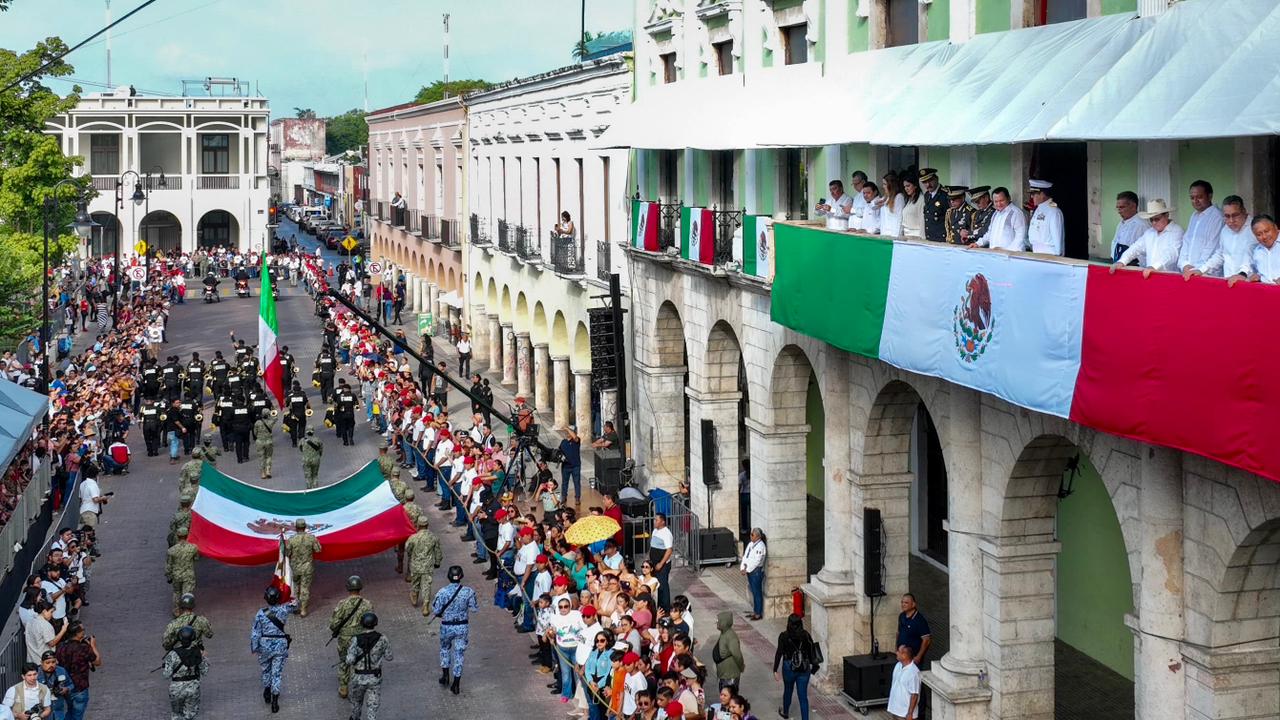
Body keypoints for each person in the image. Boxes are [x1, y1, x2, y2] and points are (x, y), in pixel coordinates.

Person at [432, 565, 480, 695]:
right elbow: (474, 608)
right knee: (459, 654)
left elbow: (436, 610)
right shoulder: (469, 591)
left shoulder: (442, 592)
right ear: (461, 576)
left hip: (447, 626)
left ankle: (445, 676)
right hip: (462, 626)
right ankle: (456, 684)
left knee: (445, 649)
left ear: (448, 576)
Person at [250, 586, 296, 714]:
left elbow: (255, 633)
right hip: (280, 645)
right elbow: (296, 605)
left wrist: (255, 647)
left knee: (266, 670)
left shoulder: (260, 613)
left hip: (265, 645)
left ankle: (266, 690)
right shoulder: (284, 610)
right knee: (277, 673)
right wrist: (291, 594)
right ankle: (275, 701)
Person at [1112, 199, 1185, 277]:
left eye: (1157, 219)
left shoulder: (1176, 231)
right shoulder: (1150, 232)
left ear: (1166, 215)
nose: (1153, 223)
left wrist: (1155, 266)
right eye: (1151, 220)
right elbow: (1136, 247)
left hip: (1169, 277)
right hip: (1150, 274)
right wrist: (1122, 261)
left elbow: (1172, 253)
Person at [330, 575, 374, 699]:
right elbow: (371, 621)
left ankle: (344, 687)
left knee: (344, 661)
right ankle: (359, 685)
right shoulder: (367, 604)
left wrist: (337, 631)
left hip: (345, 638)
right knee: (360, 661)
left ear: (348, 588)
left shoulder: (342, 604)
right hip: (361, 638)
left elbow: (333, 624)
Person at [346, 612, 392, 720]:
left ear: (362, 623)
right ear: (375, 623)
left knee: (356, 703)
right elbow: (389, 657)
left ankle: (355, 718)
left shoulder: (356, 639)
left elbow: (350, 660)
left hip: (358, 678)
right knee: (373, 706)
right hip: (374, 678)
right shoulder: (382, 638)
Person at [1198, 195, 1255, 280]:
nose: (1231, 220)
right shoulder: (1225, 230)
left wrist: (1243, 274)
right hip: (1228, 281)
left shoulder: (1255, 229)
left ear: (1244, 211)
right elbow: (1221, 255)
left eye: (1235, 215)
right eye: (1227, 216)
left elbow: (1254, 257)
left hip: (1249, 282)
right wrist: (1202, 270)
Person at [773, 613, 818, 720]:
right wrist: (814, 666)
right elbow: (812, 651)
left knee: (788, 690)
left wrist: (775, 669)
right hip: (804, 668)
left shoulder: (783, 636)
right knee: (803, 697)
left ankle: (786, 712)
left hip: (788, 667)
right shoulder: (805, 635)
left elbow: (779, 653)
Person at [1178, 179, 1225, 277]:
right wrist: (1184, 264)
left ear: (1210, 196)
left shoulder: (1217, 217)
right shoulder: (1194, 216)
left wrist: (1198, 269)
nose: (1195, 201)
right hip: (1189, 273)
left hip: (1206, 274)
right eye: (1192, 197)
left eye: (1199, 197)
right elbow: (1186, 242)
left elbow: (1212, 247)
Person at [162, 626, 208, 720]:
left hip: (176, 689)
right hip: (193, 688)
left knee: (176, 715)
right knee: (190, 716)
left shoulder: (173, 654)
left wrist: (167, 665)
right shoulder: (198, 653)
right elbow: (205, 671)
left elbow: (166, 675)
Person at [54, 622, 97, 720]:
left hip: (66, 686)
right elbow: (97, 661)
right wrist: (93, 646)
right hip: (80, 686)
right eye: (83, 630)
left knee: (70, 711)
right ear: (78, 633)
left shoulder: (61, 646)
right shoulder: (83, 648)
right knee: (77, 715)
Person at [404, 516, 443, 616]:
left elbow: (408, 549)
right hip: (427, 566)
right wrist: (437, 562)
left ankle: (414, 596)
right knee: (426, 585)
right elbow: (438, 552)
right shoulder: (433, 537)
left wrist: (411, 555)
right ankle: (425, 606)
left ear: (418, 525)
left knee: (415, 582)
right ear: (427, 525)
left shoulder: (413, 537)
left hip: (415, 565)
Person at [968, 187, 1027, 252]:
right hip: (995, 255)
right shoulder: (996, 214)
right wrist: (978, 244)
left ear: (1009, 198)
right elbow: (989, 234)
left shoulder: (1016, 213)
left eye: (1001, 200)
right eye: (996, 201)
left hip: (1010, 256)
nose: (999, 204)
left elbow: (1021, 237)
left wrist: (1008, 251)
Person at [285, 519, 322, 617]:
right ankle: (303, 610)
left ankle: (296, 606)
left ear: (296, 527)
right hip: (307, 568)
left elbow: (287, 553)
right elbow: (318, 550)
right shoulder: (311, 538)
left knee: (296, 587)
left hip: (296, 568)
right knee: (305, 588)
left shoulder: (291, 540)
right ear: (305, 527)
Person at [165, 526, 201, 617]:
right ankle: (186, 612)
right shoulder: (193, 548)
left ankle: (176, 611)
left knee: (177, 592)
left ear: (178, 535)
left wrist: (168, 576)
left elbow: (168, 565)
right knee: (187, 593)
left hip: (176, 575)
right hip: (188, 574)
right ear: (187, 535)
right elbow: (196, 559)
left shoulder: (171, 550)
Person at [1026, 179, 1064, 256]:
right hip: (1036, 253)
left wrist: (1058, 257)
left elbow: (1057, 240)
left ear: (1042, 194)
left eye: (1034, 194)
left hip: (1049, 255)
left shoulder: (1054, 212)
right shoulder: (1037, 210)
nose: (1031, 196)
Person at [1110, 191, 1149, 263]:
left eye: (1122, 207)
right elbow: (1115, 243)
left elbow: (1146, 251)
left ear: (1133, 206)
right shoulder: (1120, 224)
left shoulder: (1142, 225)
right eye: (1118, 208)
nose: (1119, 211)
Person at [896, 593, 932, 667]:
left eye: (906, 602)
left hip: (913, 660)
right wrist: (896, 650)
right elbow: (898, 633)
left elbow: (927, 640)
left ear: (913, 604)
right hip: (901, 658)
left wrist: (919, 656)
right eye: (902, 602)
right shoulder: (901, 616)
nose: (903, 604)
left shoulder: (920, 620)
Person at [887, 644, 921, 720]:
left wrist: (910, 713)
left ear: (904, 655)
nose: (896, 653)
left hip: (904, 714)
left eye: (898, 651)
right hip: (895, 710)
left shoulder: (913, 673)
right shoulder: (898, 665)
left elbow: (914, 695)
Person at [1243, 214, 1280, 285]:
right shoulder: (1257, 251)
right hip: (1265, 293)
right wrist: (1254, 276)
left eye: (1266, 231)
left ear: (1275, 227)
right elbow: (1253, 271)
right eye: (1259, 234)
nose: (1264, 237)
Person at [712, 611, 744, 691]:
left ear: (724, 622)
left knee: (729, 697)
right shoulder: (724, 633)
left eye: (718, 621)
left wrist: (741, 666)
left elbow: (737, 655)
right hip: (724, 674)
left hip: (730, 676)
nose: (716, 622)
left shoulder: (731, 637)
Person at [740, 528, 767, 620]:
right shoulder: (751, 544)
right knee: (754, 592)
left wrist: (746, 570)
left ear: (758, 536)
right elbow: (746, 556)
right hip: (749, 571)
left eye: (752, 534)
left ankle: (758, 613)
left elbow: (756, 561)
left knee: (757, 593)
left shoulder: (760, 546)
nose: (750, 535)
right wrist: (743, 567)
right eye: (751, 534)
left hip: (755, 572)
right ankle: (755, 611)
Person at [650, 513, 674, 611]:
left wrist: (661, 563)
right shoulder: (655, 531)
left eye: (657, 520)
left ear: (663, 521)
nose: (654, 522)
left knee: (663, 585)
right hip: (654, 562)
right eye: (654, 520)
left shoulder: (666, 533)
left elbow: (669, 550)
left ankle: (665, 607)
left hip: (662, 564)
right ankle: (658, 605)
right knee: (656, 584)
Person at [36, 651, 71, 720]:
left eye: (53, 662)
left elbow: (71, 684)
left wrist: (66, 689)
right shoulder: (35, 673)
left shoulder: (61, 670)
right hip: (42, 713)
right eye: (47, 663)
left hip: (58, 712)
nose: (51, 665)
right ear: (41, 663)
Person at [919, 169, 947, 242]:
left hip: (942, 239)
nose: (928, 185)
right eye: (924, 182)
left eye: (930, 181)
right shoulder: (927, 195)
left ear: (936, 179)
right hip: (929, 238)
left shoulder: (945, 195)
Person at [558, 426, 582, 505]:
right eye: (567, 432)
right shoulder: (563, 442)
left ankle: (577, 498)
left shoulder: (576, 441)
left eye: (569, 432)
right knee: (564, 483)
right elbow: (559, 452)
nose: (567, 433)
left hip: (575, 466)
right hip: (565, 466)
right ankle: (564, 497)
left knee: (577, 482)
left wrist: (567, 428)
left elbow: (575, 438)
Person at [879, 173, 907, 238]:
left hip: (893, 235)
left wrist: (897, 237)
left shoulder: (899, 197)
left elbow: (899, 219)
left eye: (885, 184)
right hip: (884, 234)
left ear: (891, 185)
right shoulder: (886, 198)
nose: (883, 186)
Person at [254, 406, 276, 480]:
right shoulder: (271, 422)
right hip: (269, 441)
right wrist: (272, 412)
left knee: (261, 457)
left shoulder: (257, 423)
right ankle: (268, 471)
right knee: (269, 457)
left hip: (260, 442)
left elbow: (255, 433)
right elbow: (276, 417)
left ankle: (263, 473)